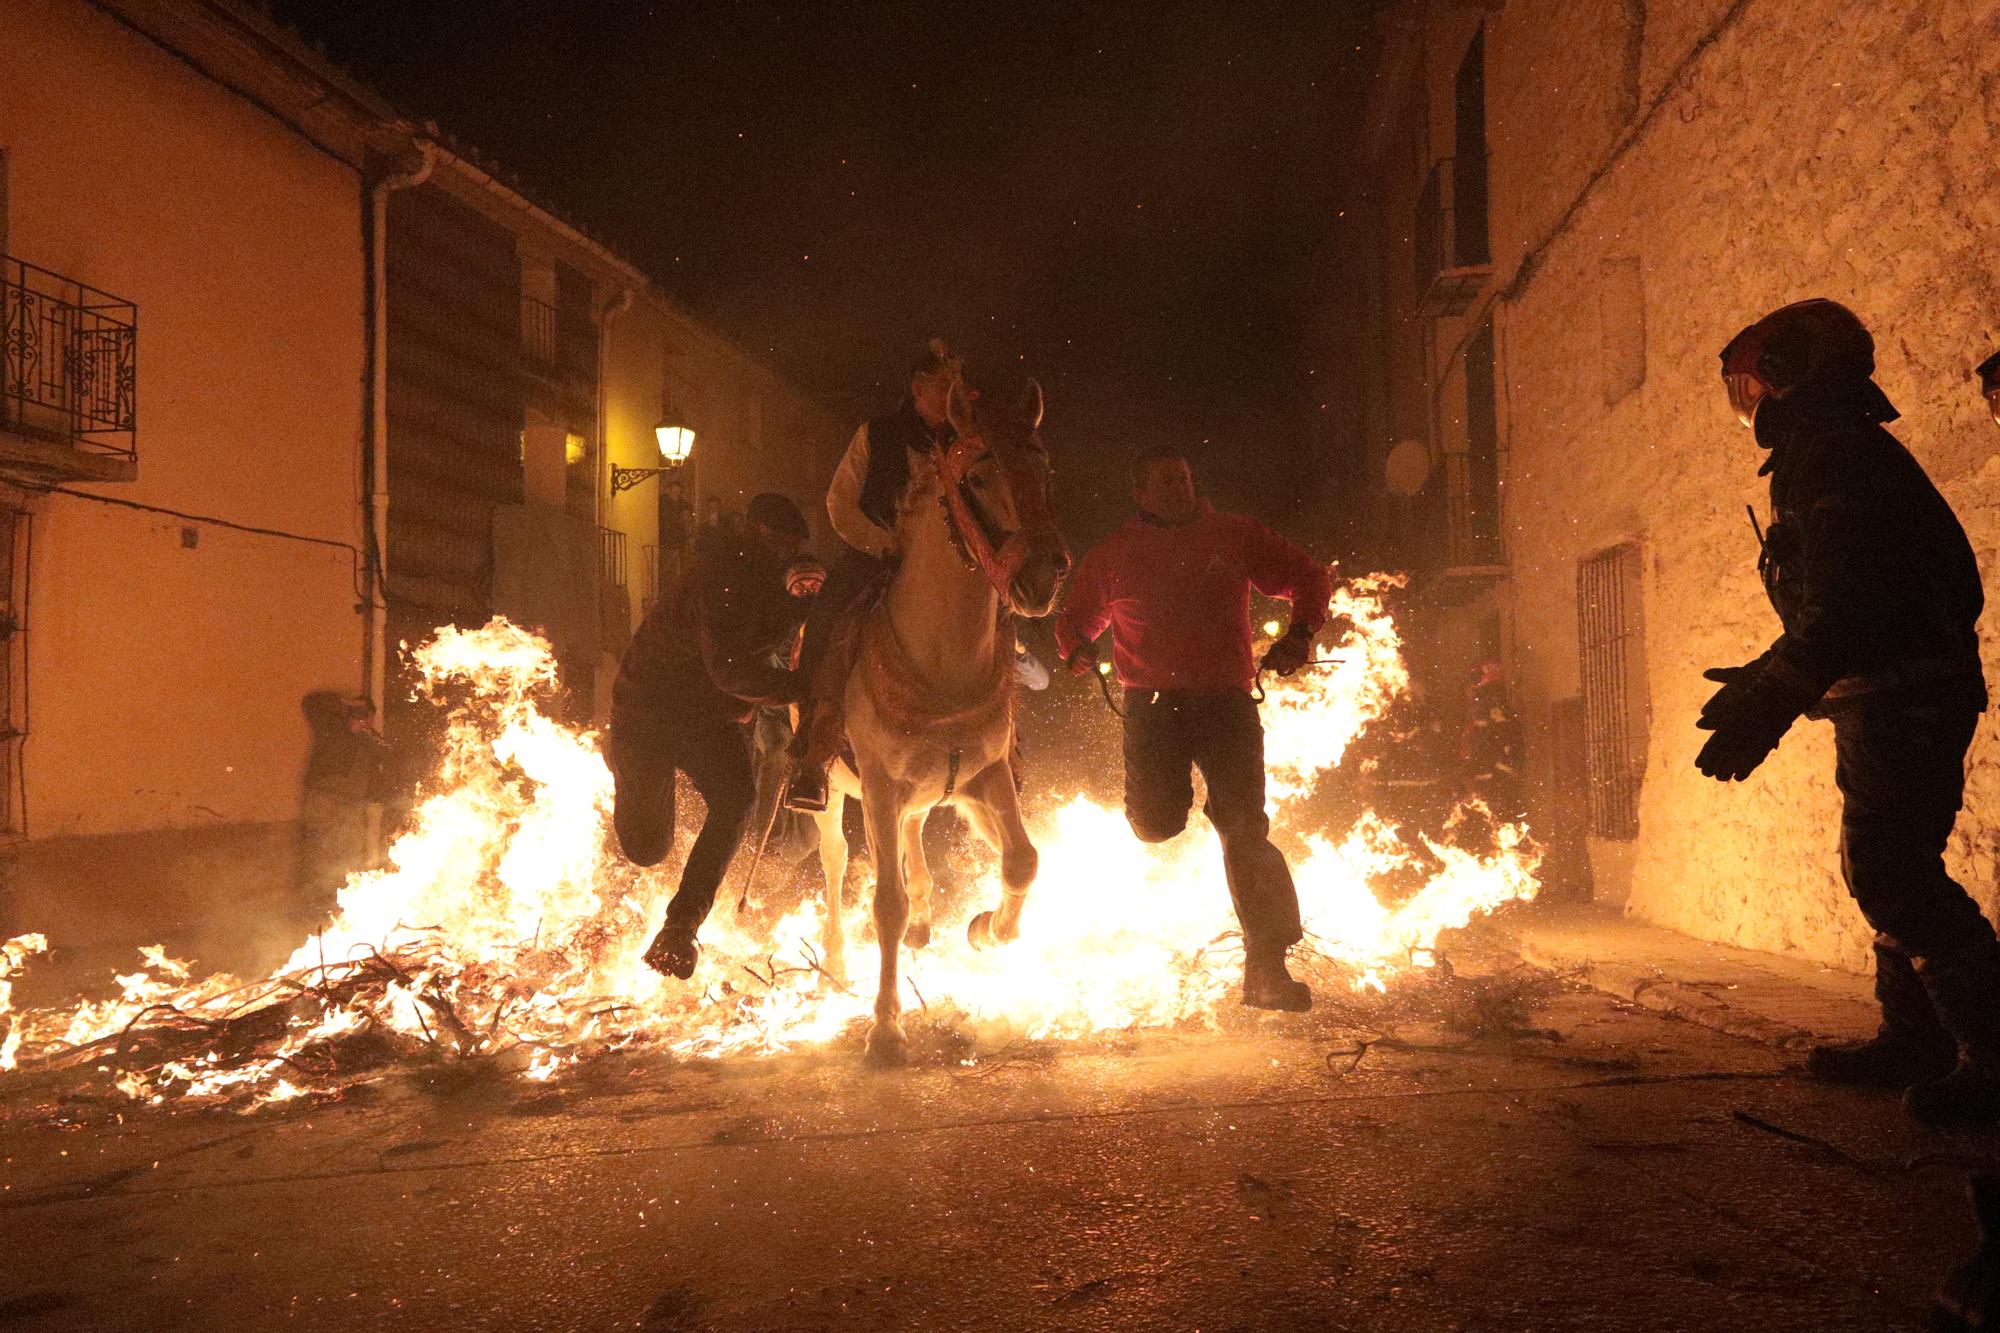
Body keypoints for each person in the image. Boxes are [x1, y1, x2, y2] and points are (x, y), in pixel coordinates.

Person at [1698, 298, 1992, 1124]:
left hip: (1907, 694)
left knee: (1892, 870)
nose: (1749, 404)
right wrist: (1763, 675)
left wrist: (1770, 704)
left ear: (1791, 374)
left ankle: (1991, 1055)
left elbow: (1847, 612)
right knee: (1890, 863)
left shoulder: (1838, 459)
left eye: (1751, 384)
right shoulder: (1831, 453)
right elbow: (1835, 601)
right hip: (1891, 694)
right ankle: (1915, 1040)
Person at [1054, 447, 1331, 1011]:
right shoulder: (1114, 555)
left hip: (1226, 705)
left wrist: (1300, 635)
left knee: (1244, 828)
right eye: (1165, 482)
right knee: (1155, 825)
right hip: (1154, 711)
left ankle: (1267, 970)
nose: (1179, 489)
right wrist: (1075, 647)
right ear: (1140, 494)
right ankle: (1158, 820)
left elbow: (1308, 577)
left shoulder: (1234, 535)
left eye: (1183, 479)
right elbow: (1074, 617)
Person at [611, 492, 814, 979]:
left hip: (705, 717)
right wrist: (800, 688)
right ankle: (623, 771)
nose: (787, 559)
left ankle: (680, 928)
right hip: (649, 712)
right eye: (783, 548)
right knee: (646, 849)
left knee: (736, 798)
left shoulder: (763, 582)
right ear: (762, 537)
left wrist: (812, 603)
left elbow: (770, 624)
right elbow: (730, 669)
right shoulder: (721, 577)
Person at [783, 338, 963, 812]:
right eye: (943, 387)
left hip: (949, 566)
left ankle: (1006, 747)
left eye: (957, 387)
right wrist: (882, 542)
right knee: (826, 622)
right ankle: (813, 750)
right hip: (875, 556)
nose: (952, 396)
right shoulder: (877, 434)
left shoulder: (966, 442)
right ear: (918, 389)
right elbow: (839, 502)